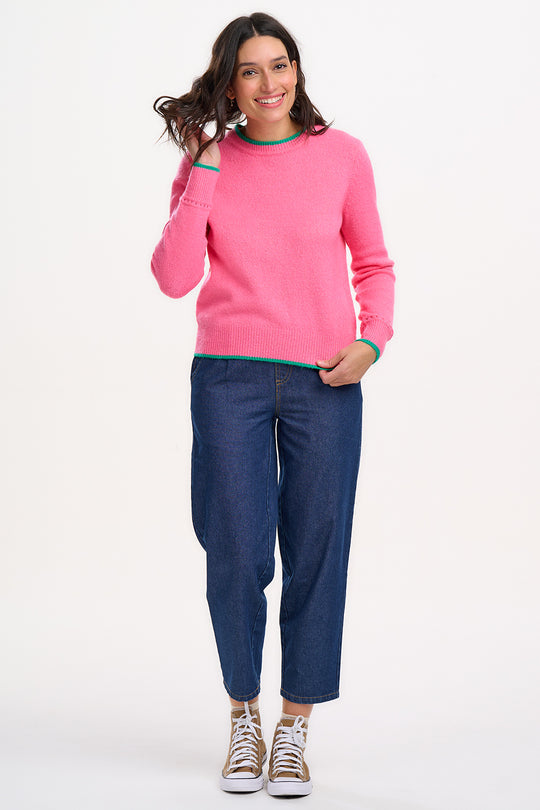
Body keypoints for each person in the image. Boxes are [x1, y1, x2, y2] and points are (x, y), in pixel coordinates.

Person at [150, 11, 395, 798]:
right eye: (250, 70)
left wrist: (372, 341)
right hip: (229, 378)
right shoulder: (209, 162)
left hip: (327, 380)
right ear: (229, 82)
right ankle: (243, 717)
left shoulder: (343, 156)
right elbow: (173, 277)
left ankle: (294, 727)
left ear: (297, 69)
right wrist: (203, 168)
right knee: (236, 551)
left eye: (279, 64)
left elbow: (374, 264)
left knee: (318, 551)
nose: (268, 83)